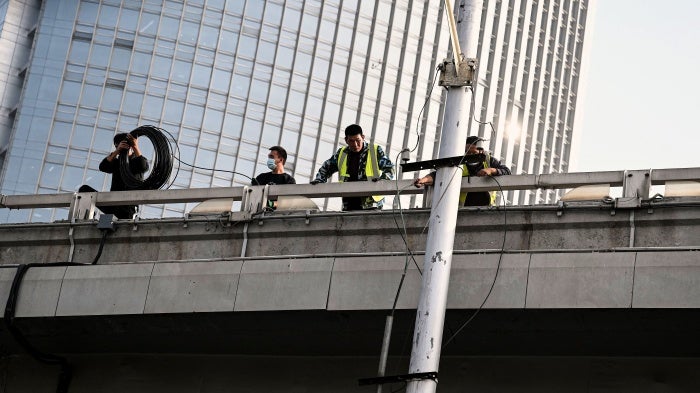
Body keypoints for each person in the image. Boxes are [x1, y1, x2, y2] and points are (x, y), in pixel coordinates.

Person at [311, 124, 394, 211]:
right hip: (349, 203)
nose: (355, 144)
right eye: (351, 141)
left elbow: (390, 168)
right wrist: (319, 180)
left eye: (358, 140)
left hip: (371, 204)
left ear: (363, 137)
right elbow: (326, 167)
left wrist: (382, 181)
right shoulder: (342, 153)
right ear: (346, 140)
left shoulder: (374, 150)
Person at [413, 135, 510, 206]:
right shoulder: (459, 162)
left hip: (486, 207)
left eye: (474, 153)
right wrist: (423, 181)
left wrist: (491, 170)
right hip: (464, 209)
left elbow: (507, 172)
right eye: (468, 152)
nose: (471, 155)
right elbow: (438, 175)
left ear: (481, 151)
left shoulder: (489, 161)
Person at [79, 133, 149, 219]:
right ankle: (87, 216)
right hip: (113, 203)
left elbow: (143, 167)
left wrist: (135, 146)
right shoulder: (117, 162)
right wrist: (117, 151)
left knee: (124, 215)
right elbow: (103, 167)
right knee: (84, 189)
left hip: (128, 207)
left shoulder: (136, 160)